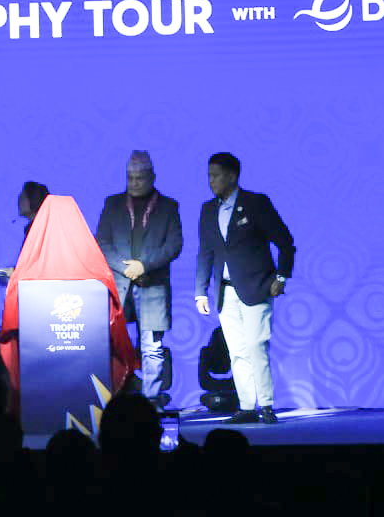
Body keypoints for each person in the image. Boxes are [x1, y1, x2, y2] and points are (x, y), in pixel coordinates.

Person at [194, 152, 295, 424]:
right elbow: (205, 252)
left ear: (232, 176)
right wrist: (200, 291)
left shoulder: (255, 203)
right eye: (209, 175)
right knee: (237, 351)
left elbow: (285, 242)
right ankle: (247, 406)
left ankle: (267, 405)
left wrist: (281, 277)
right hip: (224, 291)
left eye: (216, 175)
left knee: (255, 346)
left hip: (257, 287)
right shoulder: (207, 209)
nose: (211, 181)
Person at [95, 150, 183, 406]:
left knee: (152, 348)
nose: (134, 183)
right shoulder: (112, 204)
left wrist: (144, 266)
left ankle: (151, 400)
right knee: (112, 343)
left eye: (140, 178)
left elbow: (174, 245)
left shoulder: (168, 206)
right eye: (130, 178)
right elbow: (103, 242)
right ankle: (113, 398)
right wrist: (127, 269)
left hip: (152, 285)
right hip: (119, 284)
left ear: (152, 177)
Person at [0, 180, 50, 283]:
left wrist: (18, 273)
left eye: (22, 198)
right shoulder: (32, 228)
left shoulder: (44, 230)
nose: (19, 201)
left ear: (33, 201)